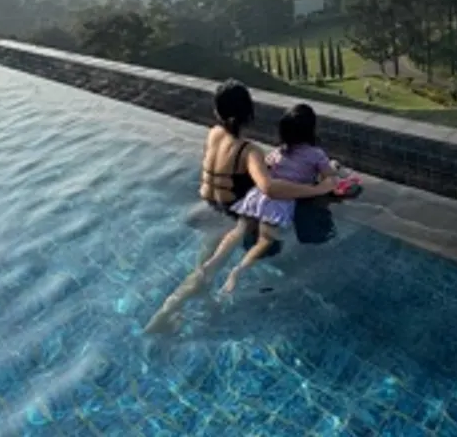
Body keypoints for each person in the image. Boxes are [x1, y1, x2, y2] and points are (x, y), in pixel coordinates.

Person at [144, 82, 335, 333]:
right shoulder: (249, 151)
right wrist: (316, 189)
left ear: (217, 112)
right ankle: (161, 319)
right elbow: (270, 188)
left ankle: (194, 308)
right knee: (209, 269)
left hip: (207, 208)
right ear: (250, 113)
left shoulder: (214, 133)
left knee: (203, 270)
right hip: (228, 215)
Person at [218, 103, 336, 295]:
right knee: (265, 240)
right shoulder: (316, 155)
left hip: (258, 197)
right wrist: (332, 169)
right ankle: (237, 271)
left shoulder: (279, 151)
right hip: (279, 202)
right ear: (311, 130)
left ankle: (215, 261)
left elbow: (267, 166)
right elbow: (329, 178)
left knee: (238, 231)